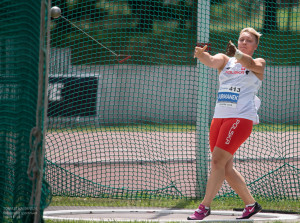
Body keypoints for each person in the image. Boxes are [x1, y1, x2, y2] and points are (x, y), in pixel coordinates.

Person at [188, 27, 266, 220]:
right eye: (241, 39)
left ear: (255, 46)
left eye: (248, 41)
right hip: (219, 117)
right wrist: (200, 54)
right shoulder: (225, 59)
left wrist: (238, 54)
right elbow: (211, 61)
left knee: (216, 161)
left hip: (241, 117)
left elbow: (249, 63)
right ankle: (251, 204)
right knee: (225, 167)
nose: (244, 42)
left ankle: (204, 207)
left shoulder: (258, 62)